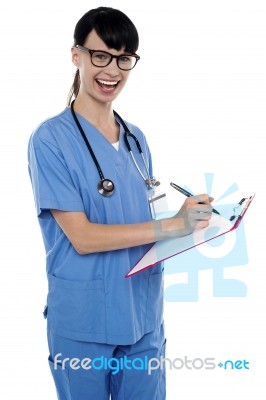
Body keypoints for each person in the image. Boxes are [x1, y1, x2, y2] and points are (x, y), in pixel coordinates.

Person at [28, 6, 213, 400]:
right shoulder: (49, 140)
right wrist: (171, 226)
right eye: (100, 56)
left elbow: (141, 223)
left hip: (142, 314)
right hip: (84, 320)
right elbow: (83, 238)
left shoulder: (136, 140)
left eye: (123, 58)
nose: (112, 70)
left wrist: (192, 222)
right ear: (76, 55)